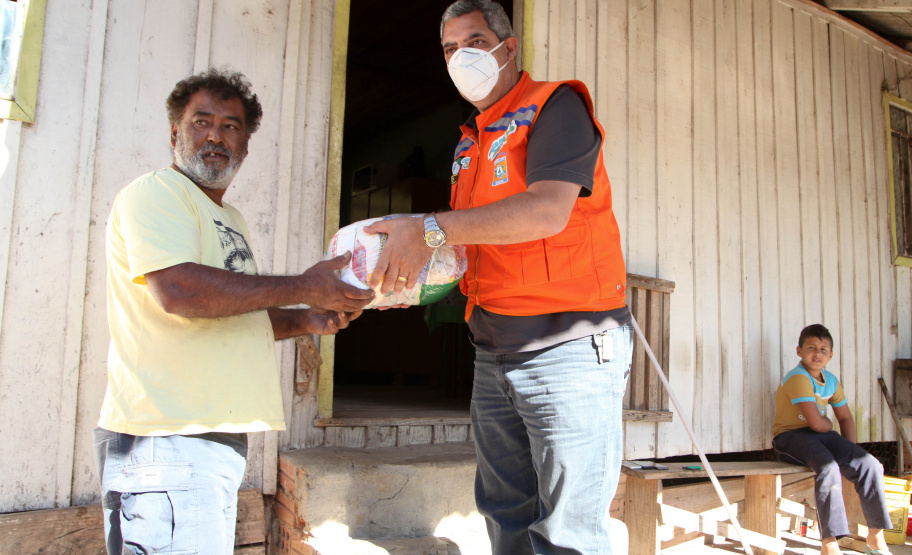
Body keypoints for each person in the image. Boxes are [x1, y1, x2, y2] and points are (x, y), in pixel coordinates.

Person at [365, 1, 633, 552]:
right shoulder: (470, 139)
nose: (462, 56)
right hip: (493, 351)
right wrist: (407, 283)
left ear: (508, 48)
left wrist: (429, 228)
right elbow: (468, 244)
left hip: (570, 347)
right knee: (504, 513)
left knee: (569, 531)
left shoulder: (555, 107)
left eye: (475, 40)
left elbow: (546, 213)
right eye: (449, 48)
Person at [94, 69, 374, 554]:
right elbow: (180, 292)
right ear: (174, 133)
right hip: (165, 438)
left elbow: (233, 309)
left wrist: (308, 317)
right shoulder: (156, 194)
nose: (215, 136)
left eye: (231, 126)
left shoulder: (228, 218)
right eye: (201, 122)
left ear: (245, 144)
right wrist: (307, 284)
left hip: (209, 440)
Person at [772, 324, 893, 555]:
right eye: (811, 347)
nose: (817, 353)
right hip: (790, 438)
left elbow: (845, 418)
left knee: (870, 465)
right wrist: (827, 424)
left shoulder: (831, 381)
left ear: (831, 355)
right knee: (828, 467)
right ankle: (829, 544)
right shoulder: (798, 377)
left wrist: (852, 454)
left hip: (822, 438)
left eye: (823, 349)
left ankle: (876, 537)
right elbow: (818, 423)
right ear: (799, 351)